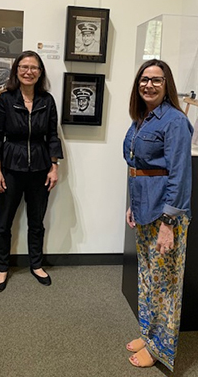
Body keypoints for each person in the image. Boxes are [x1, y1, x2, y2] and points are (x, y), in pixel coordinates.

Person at [123, 59, 193, 371]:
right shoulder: (142, 118)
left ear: (167, 86)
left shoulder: (175, 121)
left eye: (157, 80)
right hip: (144, 209)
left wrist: (169, 222)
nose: (149, 84)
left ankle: (162, 348)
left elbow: (179, 175)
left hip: (166, 216)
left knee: (166, 285)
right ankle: (149, 335)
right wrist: (132, 204)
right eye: (144, 79)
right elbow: (139, 166)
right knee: (148, 278)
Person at [0, 50, 63, 292]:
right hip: (10, 166)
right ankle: (2, 267)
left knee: (37, 221)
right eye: (24, 67)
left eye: (34, 67)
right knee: (3, 221)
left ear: (40, 72)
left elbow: (52, 134)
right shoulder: (5, 99)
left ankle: (36, 264)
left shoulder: (47, 100)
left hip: (40, 167)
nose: (29, 71)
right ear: (16, 71)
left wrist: (54, 166)